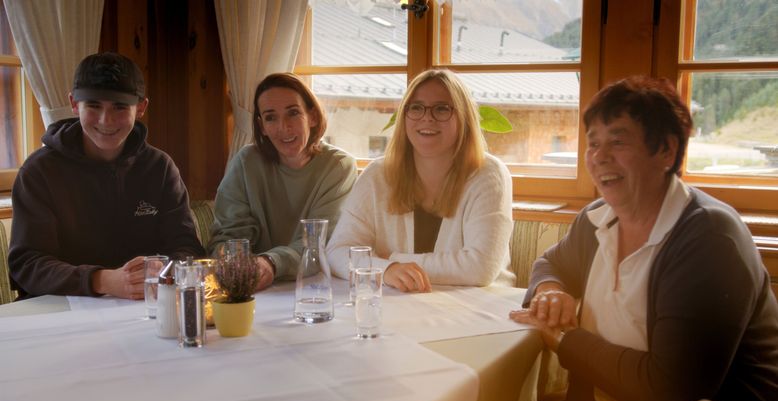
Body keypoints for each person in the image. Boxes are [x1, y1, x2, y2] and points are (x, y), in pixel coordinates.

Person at [510, 76, 778, 401]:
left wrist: (564, 340)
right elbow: (551, 263)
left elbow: (669, 389)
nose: (599, 156)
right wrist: (550, 290)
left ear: (666, 150)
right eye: (593, 144)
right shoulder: (597, 219)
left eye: (617, 141)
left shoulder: (709, 239)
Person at [8, 52, 204, 300]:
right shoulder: (39, 172)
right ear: (73, 103)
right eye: (93, 105)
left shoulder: (160, 168)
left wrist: (165, 271)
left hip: (142, 308)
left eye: (120, 107)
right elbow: (27, 263)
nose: (106, 120)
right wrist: (103, 280)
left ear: (141, 107)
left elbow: (187, 247)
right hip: (59, 313)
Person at [327, 69, 514, 292]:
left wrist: (394, 259)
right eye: (416, 108)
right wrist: (387, 270)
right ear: (404, 116)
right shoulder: (376, 175)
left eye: (442, 108)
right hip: (400, 307)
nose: (427, 117)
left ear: (463, 117)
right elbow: (338, 252)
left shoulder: (488, 174)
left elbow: (480, 268)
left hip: (477, 309)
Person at [208, 72, 357, 291]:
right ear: (262, 127)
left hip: (316, 287)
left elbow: (320, 243)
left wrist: (271, 263)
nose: (283, 127)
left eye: (293, 113)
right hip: (252, 287)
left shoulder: (339, 166)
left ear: (313, 116)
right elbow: (229, 235)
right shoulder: (246, 162)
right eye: (270, 117)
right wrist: (239, 266)